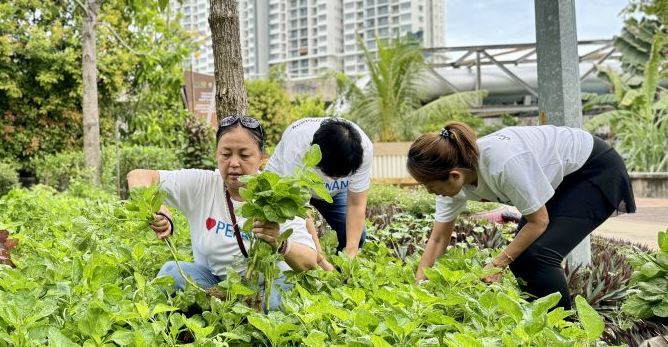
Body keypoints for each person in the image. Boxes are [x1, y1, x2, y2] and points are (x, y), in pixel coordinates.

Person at [407, 122, 636, 309]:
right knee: (521, 258)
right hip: (559, 179)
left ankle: (567, 337)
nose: (431, 193)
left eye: (431, 187)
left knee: (538, 256)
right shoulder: (450, 181)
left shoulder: (502, 164)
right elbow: (438, 239)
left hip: (593, 168)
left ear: (454, 176)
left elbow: (539, 221)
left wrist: (498, 262)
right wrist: (419, 291)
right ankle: (538, 329)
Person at [126, 115, 319, 311]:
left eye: (244, 156)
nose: (234, 163)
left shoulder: (277, 194)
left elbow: (310, 261)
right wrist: (154, 207)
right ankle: (228, 312)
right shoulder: (202, 183)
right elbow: (138, 176)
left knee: (279, 299)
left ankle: (237, 316)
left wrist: (281, 243)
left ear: (261, 158)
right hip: (217, 285)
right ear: (216, 155)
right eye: (226, 155)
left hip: (265, 287)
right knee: (170, 274)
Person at [265, 117, 373, 257]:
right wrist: (319, 259)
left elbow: (356, 204)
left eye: (342, 176)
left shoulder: (363, 150)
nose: (335, 179)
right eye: (331, 175)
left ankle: (340, 273)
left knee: (355, 236)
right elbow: (300, 209)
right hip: (287, 185)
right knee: (297, 241)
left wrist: (350, 255)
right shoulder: (297, 146)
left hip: (332, 193)